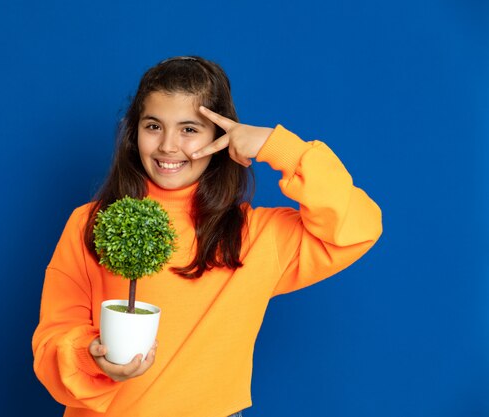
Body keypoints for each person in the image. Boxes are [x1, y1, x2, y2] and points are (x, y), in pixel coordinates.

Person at [32, 56, 382, 417]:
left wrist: (279, 148)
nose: (168, 146)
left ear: (221, 137)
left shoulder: (256, 236)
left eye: (189, 129)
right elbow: (52, 340)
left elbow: (358, 228)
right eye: (154, 126)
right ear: (134, 132)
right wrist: (91, 356)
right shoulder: (91, 224)